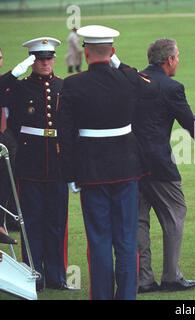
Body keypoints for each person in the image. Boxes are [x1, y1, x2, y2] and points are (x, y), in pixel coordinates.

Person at [57, 25, 159, 300]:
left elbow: (64, 135)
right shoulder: (128, 79)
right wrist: (117, 61)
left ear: (85, 53)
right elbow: (144, 84)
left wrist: (69, 175)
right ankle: (126, 296)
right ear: (112, 51)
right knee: (126, 239)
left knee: (99, 240)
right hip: (127, 168)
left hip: (91, 170)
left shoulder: (72, 84)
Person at [0, 38, 72, 291]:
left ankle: (56, 275)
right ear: (32, 61)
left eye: (48, 58)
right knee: (31, 221)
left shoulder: (64, 86)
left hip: (58, 161)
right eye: (39, 58)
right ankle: (34, 274)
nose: (45, 62)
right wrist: (14, 72)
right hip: (30, 163)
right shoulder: (19, 88)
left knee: (56, 221)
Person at [133, 39, 195, 293]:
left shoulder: (133, 81)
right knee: (174, 214)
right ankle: (171, 276)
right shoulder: (172, 87)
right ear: (169, 60)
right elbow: (192, 127)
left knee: (139, 220)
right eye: (177, 56)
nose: (178, 61)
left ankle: (143, 279)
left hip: (131, 162)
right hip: (159, 164)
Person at [0, 47, 18, 245]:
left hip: (5, 138)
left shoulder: (7, 85)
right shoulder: (5, 81)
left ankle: (4, 221)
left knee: (7, 180)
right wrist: (14, 73)